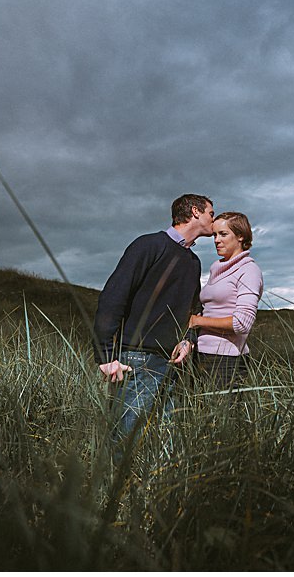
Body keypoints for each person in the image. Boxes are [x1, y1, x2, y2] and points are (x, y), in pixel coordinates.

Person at [93, 193, 214, 456]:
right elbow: (114, 296)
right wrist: (105, 356)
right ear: (195, 211)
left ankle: (156, 495)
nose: (213, 221)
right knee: (125, 440)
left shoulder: (193, 262)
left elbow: (194, 309)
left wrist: (188, 341)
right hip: (137, 358)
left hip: (174, 363)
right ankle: (112, 495)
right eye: (210, 214)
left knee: (168, 441)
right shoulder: (148, 245)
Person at [186, 211, 263, 389]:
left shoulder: (249, 271)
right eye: (214, 235)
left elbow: (242, 323)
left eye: (223, 234)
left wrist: (197, 321)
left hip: (226, 362)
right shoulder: (217, 268)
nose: (216, 240)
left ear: (241, 236)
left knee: (221, 417)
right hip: (201, 355)